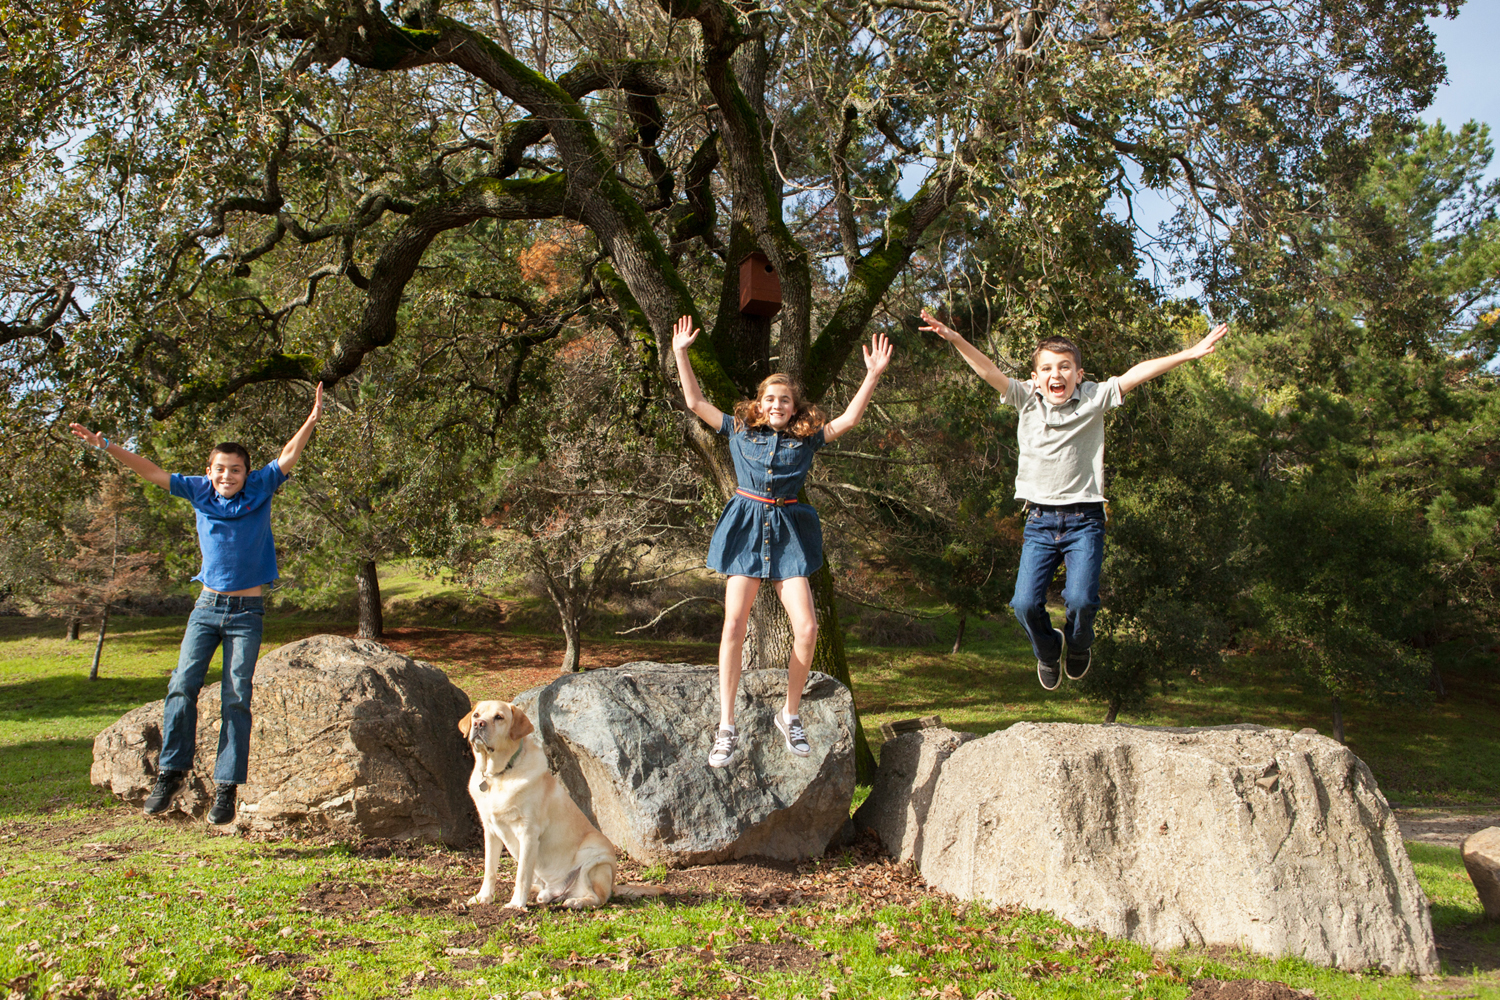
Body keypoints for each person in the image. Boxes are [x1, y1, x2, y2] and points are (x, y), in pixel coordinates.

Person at [919, 310, 1228, 690]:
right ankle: (1049, 651)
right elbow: (987, 371)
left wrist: (1189, 353)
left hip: (1085, 519)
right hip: (1039, 521)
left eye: (1065, 367)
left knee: (1081, 601)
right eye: (1047, 368)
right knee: (1023, 605)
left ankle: (1079, 645)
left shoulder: (1095, 398)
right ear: (1035, 378)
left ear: (1078, 375)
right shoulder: (1025, 400)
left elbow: (1137, 372)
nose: (1056, 375)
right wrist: (954, 338)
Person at [68, 385, 324, 823]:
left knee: (237, 695)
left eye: (236, 470)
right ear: (209, 471)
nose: (228, 476)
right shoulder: (198, 491)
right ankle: (171, 772)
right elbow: (148, 470)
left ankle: (227, 787)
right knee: (181, 686)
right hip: (206, 610)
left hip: (247, 615)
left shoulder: (261, 487)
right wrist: (106, 445)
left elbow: (287, 453)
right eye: (221, 469)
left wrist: (312, 419)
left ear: (247, 473)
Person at [672, 316, 893, 767]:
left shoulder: (806, 440)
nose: (777, 405)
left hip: (789, 532)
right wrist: (680, 352)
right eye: (770, 398)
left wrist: (871, 375)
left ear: (795, 408)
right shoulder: (737, 430)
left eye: (785, 400)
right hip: (747, 529)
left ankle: (789, 714)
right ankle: (726, 725)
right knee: (733, 625)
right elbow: (694, 400)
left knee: (808, 629)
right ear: (759, 403)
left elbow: (849, 419)